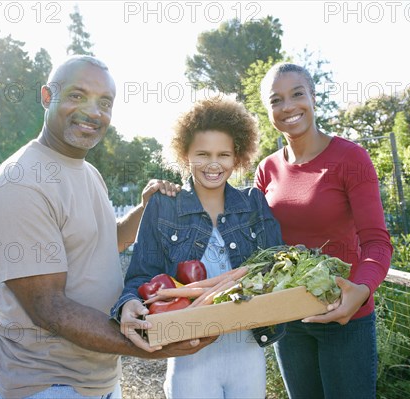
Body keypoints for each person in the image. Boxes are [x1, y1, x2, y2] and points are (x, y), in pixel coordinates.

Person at [0, 55, 212, 399]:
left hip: (96, 378)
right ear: (46, 96)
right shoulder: (20, 184)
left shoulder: (86, 171)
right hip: (48, 385)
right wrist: (152, 343)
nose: (93, 111)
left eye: (105, 102)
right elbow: (49, 308)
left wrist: (145, 211)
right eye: (76, 95)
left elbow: (102, 242)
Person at [111, 97, 285, 398]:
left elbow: (281, 270)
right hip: (189, 360)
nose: (214, 164)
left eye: (224, 154)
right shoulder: (163, 207)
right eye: (202, 154)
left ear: (238, 157)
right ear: (185, 154)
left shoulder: (254, 204)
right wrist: (126, 305)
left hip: (248, 355)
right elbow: (141, 278)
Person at [255, 62, 393, 399]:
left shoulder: (351, 158)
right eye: (276, 100)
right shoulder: (267, 169)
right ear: (268, 110)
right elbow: (263, 247)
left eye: (297, 94)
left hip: (344, 317)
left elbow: (377, 242)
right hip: (290, 318)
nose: (288, 106)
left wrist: (360, 290)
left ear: (314, 97)